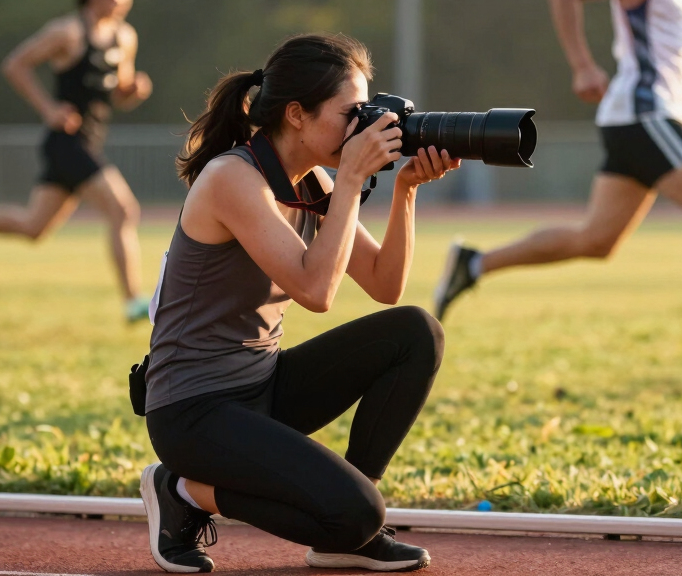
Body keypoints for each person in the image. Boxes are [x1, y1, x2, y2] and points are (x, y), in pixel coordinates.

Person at [138, 34, 457, 573]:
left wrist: (404, 191)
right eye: (351, 113)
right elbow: (316, 293)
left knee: (416, 333)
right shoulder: (232, 179)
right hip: (193, 411)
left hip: (259, 387)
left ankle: (351, 526)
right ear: (297, 115)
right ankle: (183, 490)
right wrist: (352, 179)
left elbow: (384, 285)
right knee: (356, 513)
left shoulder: (312, 180)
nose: (364, 127)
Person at [435, 0, 682, 385]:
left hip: (642, 118)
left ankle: (472, 264)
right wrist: (582, 65)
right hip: (646, 114)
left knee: (595, 240)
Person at [0, 0, 153, 323]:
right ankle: (132, 302)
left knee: (33, 228)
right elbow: (15, 65)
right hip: (66, 143)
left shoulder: (125, 37)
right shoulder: (67, 32)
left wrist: (135, 91)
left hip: (88, 141)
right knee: (123, 209)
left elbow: (118, 92)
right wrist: (48, 109)